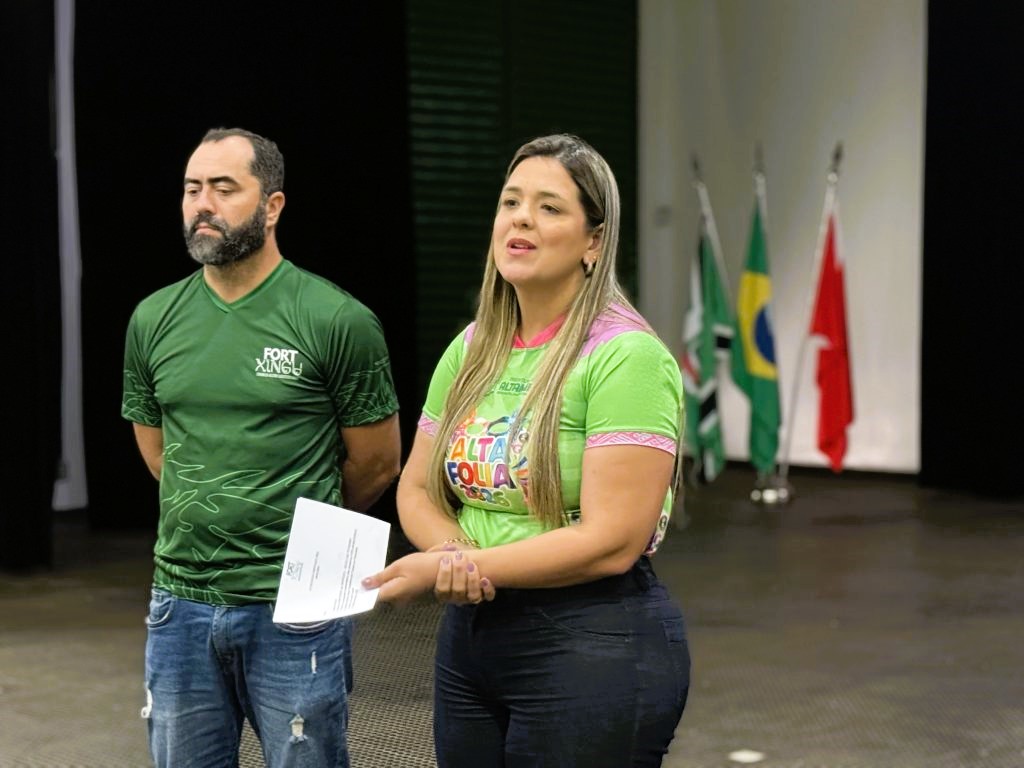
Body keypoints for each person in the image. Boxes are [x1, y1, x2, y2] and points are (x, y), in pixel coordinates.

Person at [363, 134, 690, 767]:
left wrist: (462, 569)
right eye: (511, 202)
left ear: (594, 241)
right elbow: (418, 488)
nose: (521, 218)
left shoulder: (627, 356)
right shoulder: (472, 347)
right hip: (474, 638)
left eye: (549, 207)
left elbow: (613, 540)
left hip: (591, 640)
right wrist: (452, 556)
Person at [121, 127, 401, 768]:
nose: (203, 204)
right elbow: (162, 456)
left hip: (297, 606)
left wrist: (294, 525)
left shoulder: (337, 319)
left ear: (272, 206)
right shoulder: (152, 319)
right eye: (192, 188)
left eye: (224, 188)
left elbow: (378, 462)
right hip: (179, 603)